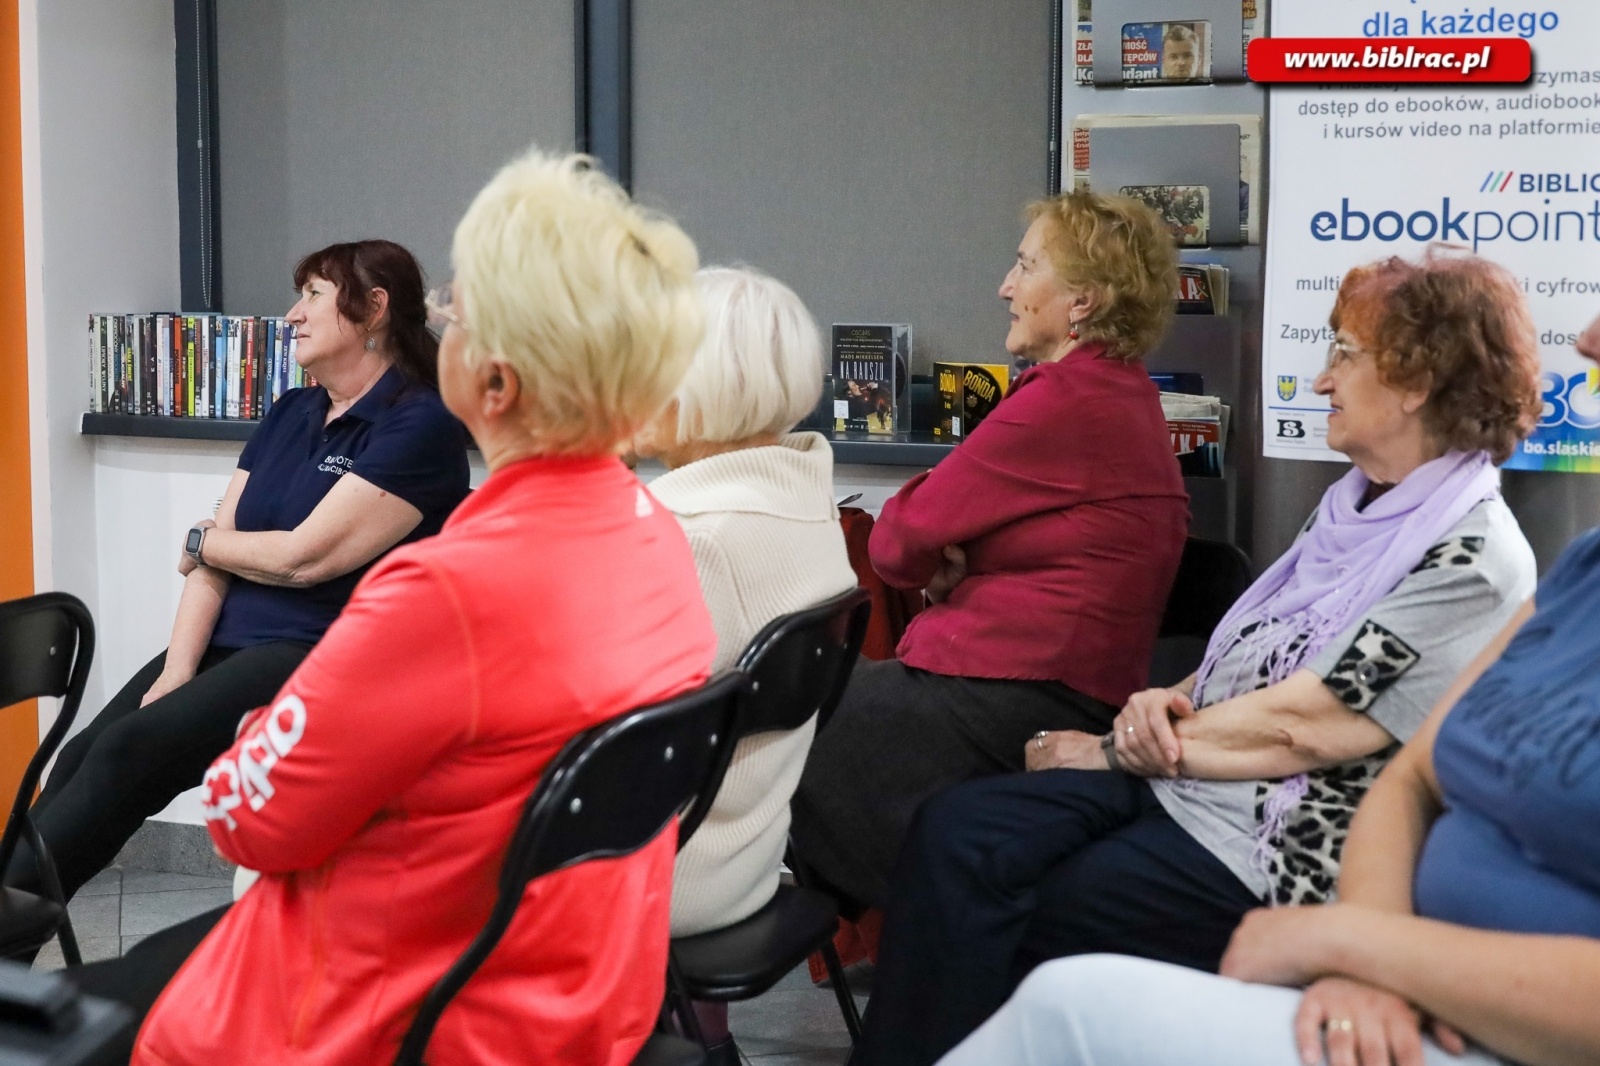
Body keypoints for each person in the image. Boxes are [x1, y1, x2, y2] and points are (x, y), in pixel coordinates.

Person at [853, 248, 1545, 1066]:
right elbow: (1247, 654)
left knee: (1044, 906)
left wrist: (1120, 747)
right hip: (1192, 783)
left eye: (1344, 357)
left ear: (1417, 382)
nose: (1323, 382)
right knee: (957, 830)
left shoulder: (1472, 555)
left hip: (1277, 841)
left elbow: (1314, 725)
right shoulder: (1358, 508)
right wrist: (1154, 709)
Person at [126, 149, 714, 1065]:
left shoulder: (446, 590)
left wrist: (261, 726)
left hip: (400, 1012)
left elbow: (248, 819)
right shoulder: (654, 539)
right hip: (575, 992)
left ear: (498, 384)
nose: (437, 325)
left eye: (456, 313)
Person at [4, 240, 469, 906]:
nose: (291, 315)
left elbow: (305, 559)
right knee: (79, 758)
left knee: (127, 755)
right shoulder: (290, 413)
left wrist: (207, 539)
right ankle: (14, 945)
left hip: (317, 654)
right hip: (226, 639)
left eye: (312, 294)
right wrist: (177, 670)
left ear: (373, 310)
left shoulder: (419, 424)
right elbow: (214, 556)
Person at [790, 190, 1189, 913]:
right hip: (1049, 684)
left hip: (1011, 698)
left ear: (1082, 303)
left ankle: (711, 947)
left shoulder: (1064, 399)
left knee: (773, 715)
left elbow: (897, 540)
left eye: (1026, 266)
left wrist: (947, 554)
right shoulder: (1117, 393)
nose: (1005, 286)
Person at [631, 265, 858, 1061]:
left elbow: (596, 747)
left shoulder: (695, 538)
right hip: (747, 856)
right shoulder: (803, 502)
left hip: (664, 880)